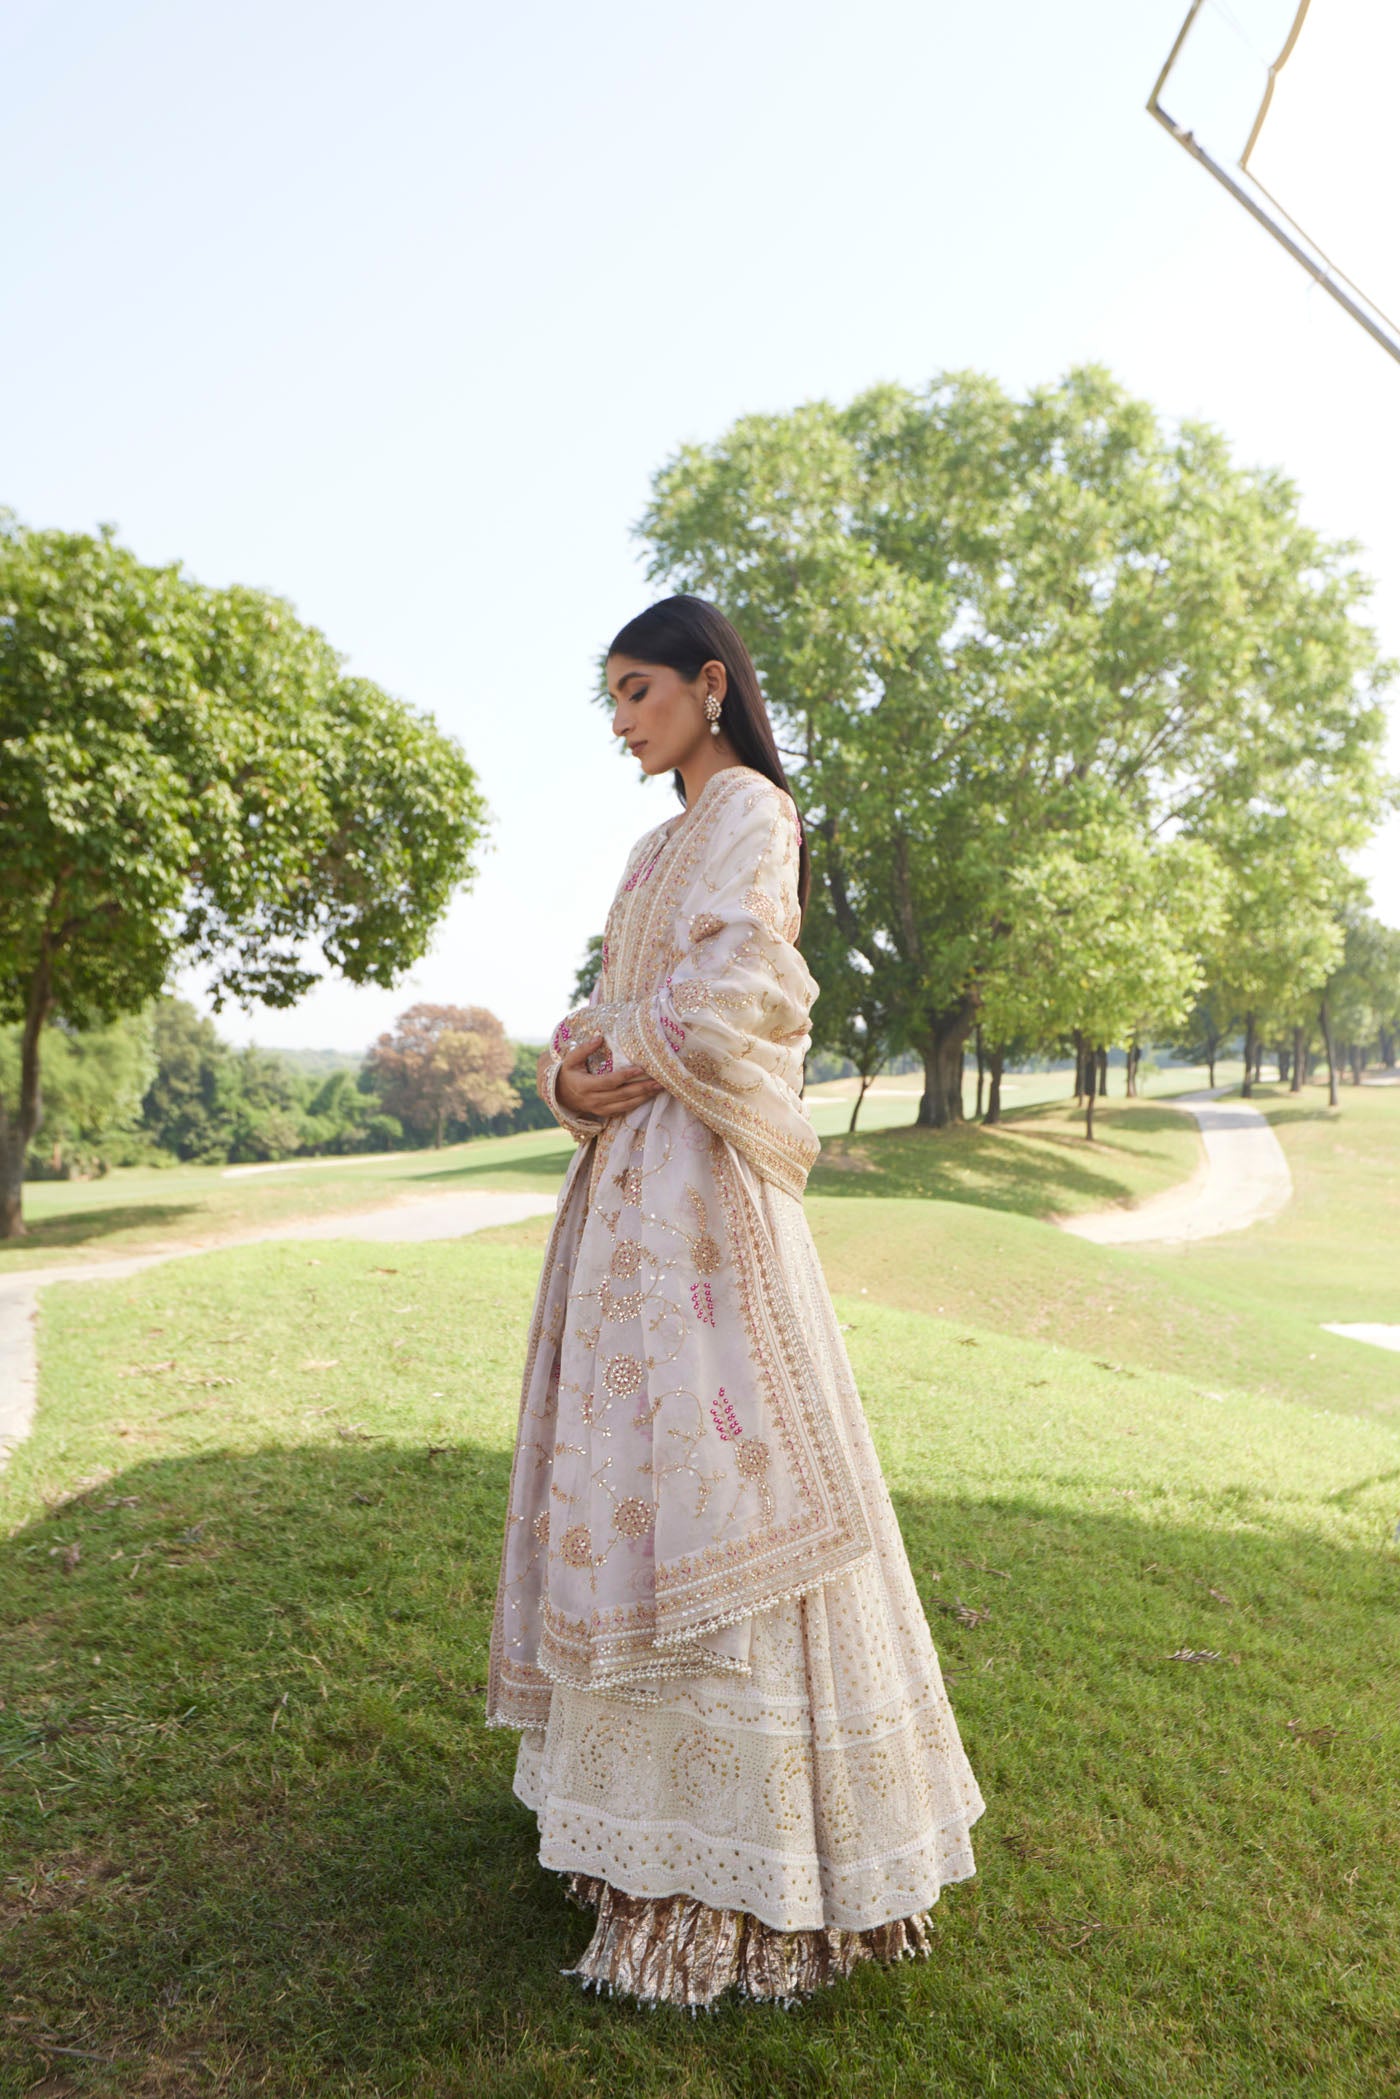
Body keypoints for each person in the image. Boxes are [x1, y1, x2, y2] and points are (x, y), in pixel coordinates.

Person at [487, 594, 985, 2008]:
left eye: (640, 692)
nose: (623, 723)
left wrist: (614, 1051)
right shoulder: (653, 845)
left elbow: (740, 996)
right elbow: (597, 1012)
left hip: (703, 1199)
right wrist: (569, 1082)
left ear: (712, 686)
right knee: (627, 1471)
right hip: (626, 1193)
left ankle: (745, 1876)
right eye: (612, 702)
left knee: (725, 1473)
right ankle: (624, 1832)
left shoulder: (756, 812)